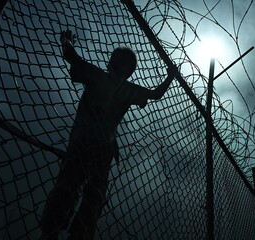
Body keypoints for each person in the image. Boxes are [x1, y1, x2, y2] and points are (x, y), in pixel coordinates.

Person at [39, 30, 176, 240]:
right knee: (83, 190)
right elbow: (155, 94)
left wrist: (66, 39)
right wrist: (170, 76)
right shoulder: (121, 86)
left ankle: (59, 231)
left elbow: (71, 57)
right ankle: (64, 231)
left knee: (77, 188)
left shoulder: (107, 80)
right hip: (95, 145)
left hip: (93, 145)